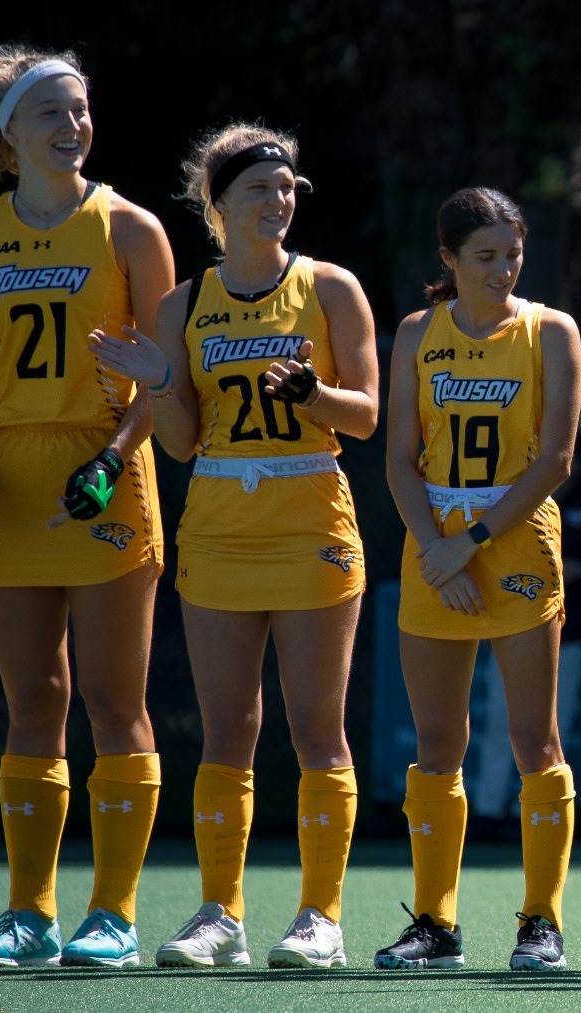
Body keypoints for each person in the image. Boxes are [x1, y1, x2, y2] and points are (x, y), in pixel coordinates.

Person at [94, 125, 378, 970]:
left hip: (310, 520)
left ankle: (319, 916)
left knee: (318, 731)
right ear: (219, 203)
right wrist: (155, 375)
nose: (279, 200)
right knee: (228, 731)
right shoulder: (184, 303)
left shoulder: (331, 288)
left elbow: (363, 415)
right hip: (219, 526)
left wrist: (313, 392)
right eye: (260, 188)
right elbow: (179, 441)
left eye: (288, 187)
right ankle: (222, 912)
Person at [0, 47, 170, 970]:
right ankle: (27, 911)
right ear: (9, 132)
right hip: (9, 489)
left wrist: (111, 455)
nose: (72, 127)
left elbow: (164, 377)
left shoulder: (128, 228)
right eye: (51, 114)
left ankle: (115, 911)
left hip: (101, 477)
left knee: (112, 701)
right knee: (32, 701)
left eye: (82, 110)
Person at [374, 187, 581, 972]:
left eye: (512, 254)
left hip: (516, 544)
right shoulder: (417, 333)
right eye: (484, 256)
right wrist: (436, 547)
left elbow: (556, 459)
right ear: (450, 260)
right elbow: (399, 456)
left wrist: (473, 542)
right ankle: (435, 923)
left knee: (535, 737)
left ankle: (541, 922)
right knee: (437, 743)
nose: (502, 270)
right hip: (435, 548)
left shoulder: (549, 331)